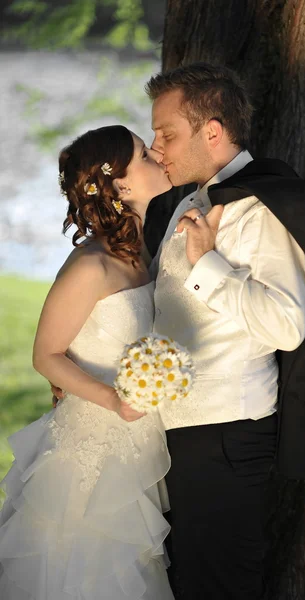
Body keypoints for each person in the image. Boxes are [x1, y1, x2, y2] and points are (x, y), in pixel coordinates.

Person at [145, 63, 305, 599]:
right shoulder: (194, 202)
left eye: (167, 134)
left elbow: (287, 325)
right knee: (187, 577)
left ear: (213, 132)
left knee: (218, 582)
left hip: (224, 434)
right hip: (185, 430)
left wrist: (206, 267)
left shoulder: (256, 208)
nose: (156, 148)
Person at [0, 125, 175, 600]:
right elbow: (45, 355)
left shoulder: (143, 247)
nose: (157, 155)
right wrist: (114, 402)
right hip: (92, 449)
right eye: (144, 153)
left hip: (141, 439)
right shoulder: (90, 264)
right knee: (91, 568)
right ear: (121, 187)